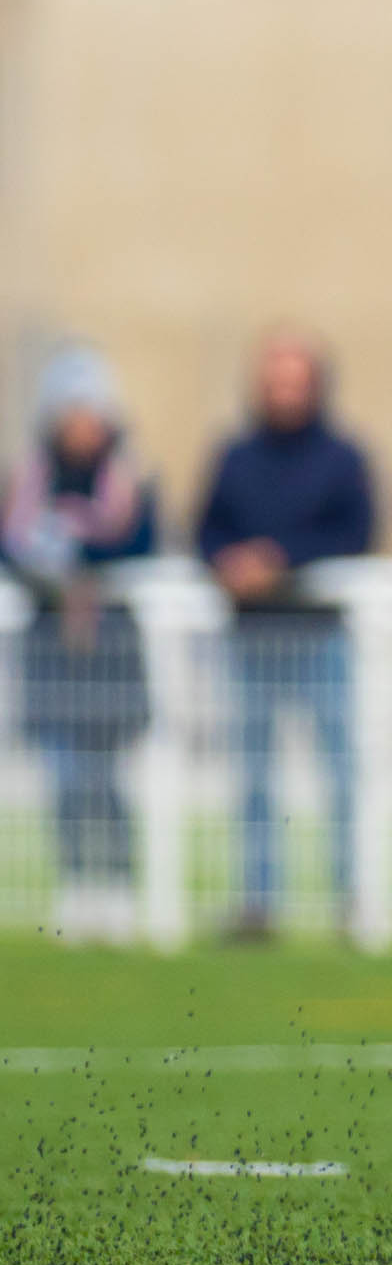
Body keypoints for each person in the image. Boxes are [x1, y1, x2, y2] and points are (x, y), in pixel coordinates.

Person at [195, 332, 376, 939]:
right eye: (275, 380)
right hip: (250, 639)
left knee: (343, 774)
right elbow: (205, 530)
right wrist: (230, 563)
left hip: (321, 637)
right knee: (252, 778)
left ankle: (353, 900)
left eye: (294, 380)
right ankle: (258, 905)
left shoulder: (344, 458)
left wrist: (281, 559)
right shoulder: (234, 456)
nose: (284, 392)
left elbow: (355, 533)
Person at [3, 348, 156, 945]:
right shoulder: (25, 479)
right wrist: (43, 563)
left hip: (111, 649)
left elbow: (141, 547)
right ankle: (76, 883)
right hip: (51, 650)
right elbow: (11, 549)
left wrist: (75, 556)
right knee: (64, 777)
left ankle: (119, 885)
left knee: (109, 775)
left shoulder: (132, 480)